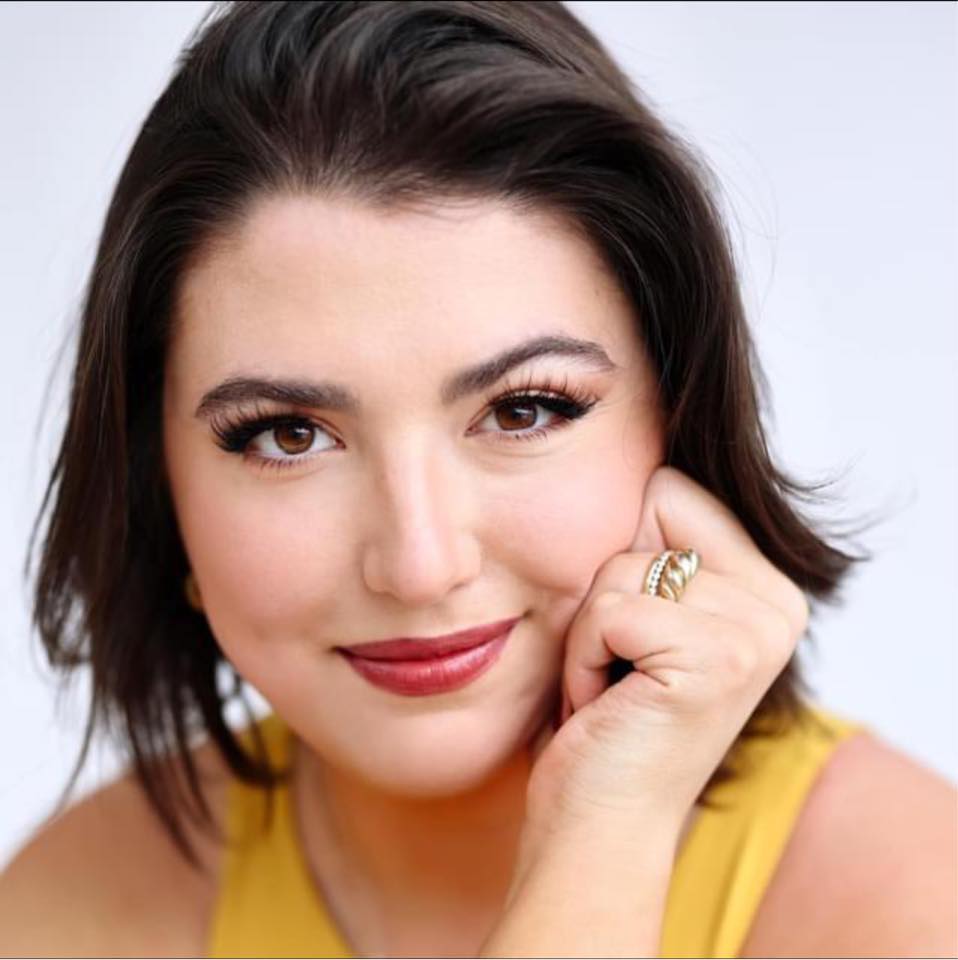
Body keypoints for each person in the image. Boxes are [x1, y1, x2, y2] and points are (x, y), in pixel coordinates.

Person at [1, 2, 955, 957]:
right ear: (155, 480)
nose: (419, 567)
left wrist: (613, 815)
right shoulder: (79, 902)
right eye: (288, 434)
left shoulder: (906, 903)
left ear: (678, 424)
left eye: (522, 410)